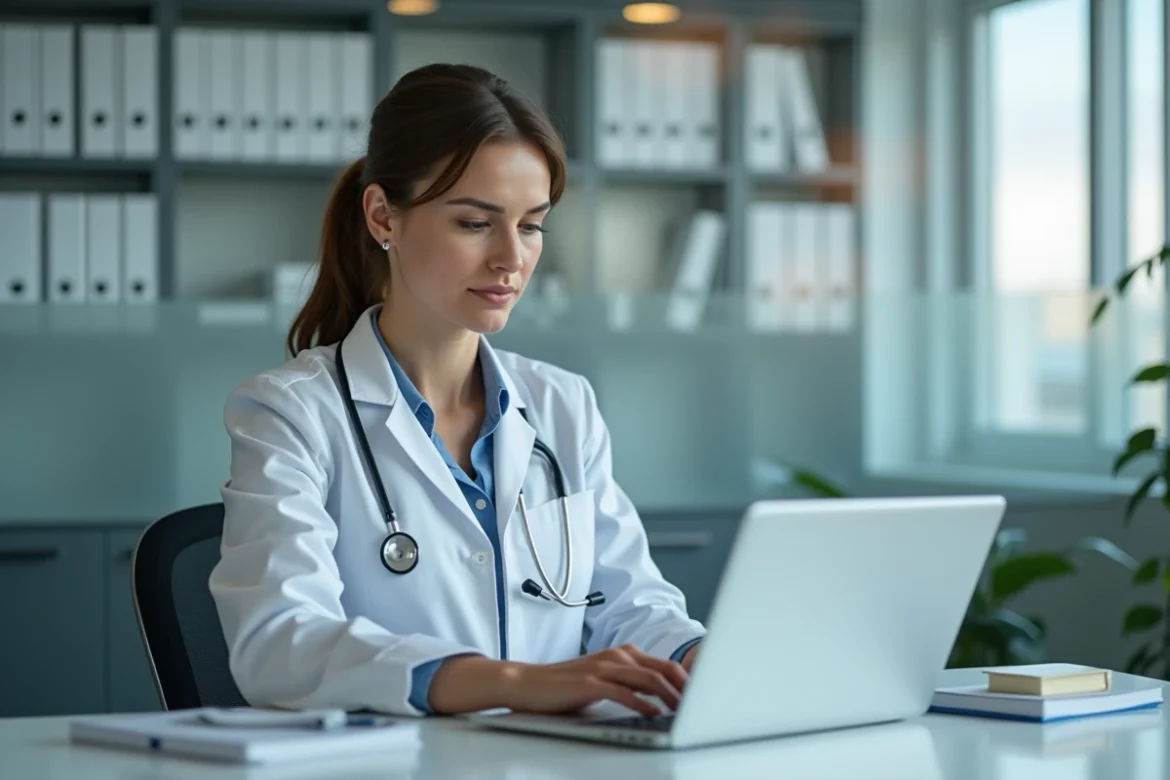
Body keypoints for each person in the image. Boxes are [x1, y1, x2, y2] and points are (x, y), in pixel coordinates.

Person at [208, 63, 705, 718]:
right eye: (475, 223)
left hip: (551, 759)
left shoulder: (562, 406)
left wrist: (701, 658)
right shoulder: (292, 412)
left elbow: (632, 605)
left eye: (531, 225)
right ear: (383, 217)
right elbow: (280, 642)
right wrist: (513, 683)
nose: (511, 259)